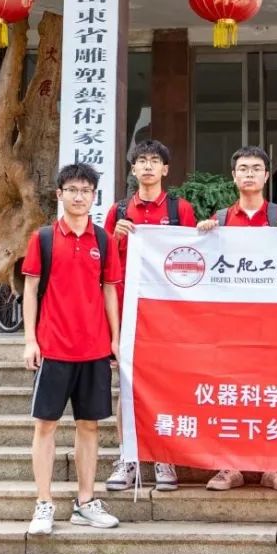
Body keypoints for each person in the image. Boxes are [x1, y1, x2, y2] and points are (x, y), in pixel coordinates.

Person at [21, 163, 122, 536]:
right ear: (59, 194)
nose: (79, 197)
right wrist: (30, 340)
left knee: (89, 426)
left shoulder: (104, 240)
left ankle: (85, 502)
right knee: (45, 425)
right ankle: (43, 503)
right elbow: (31, 290)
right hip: (53, 347)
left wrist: (115, 339)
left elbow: (109, 290)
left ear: (94, 196)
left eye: (86, 191)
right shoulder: (44, 238)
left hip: (94, 348)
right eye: (73, 190)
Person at [197, 145, 277, 492]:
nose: (250, 174)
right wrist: (201, 236)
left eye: (256, 168)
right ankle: (229, 467)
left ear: (267, 176)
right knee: (231, 395)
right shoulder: (221, 220)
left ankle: (275, 467)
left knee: (273, 396)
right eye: (243, 168)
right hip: (231, 327)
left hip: (274, 328)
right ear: (234, 176)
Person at [103, 140, 197, 494]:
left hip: (167, 313)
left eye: (154, 161)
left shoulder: (180, 209)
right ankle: (127, 457)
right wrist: (115, 237)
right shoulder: (118, 210)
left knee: (165, 384)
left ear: (165, 169)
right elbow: (104, 264)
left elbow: (193, 257)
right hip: (127, 311)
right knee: (126, 386)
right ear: (133, 169)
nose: (147, 166)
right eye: (141, 160)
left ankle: (163, 457)